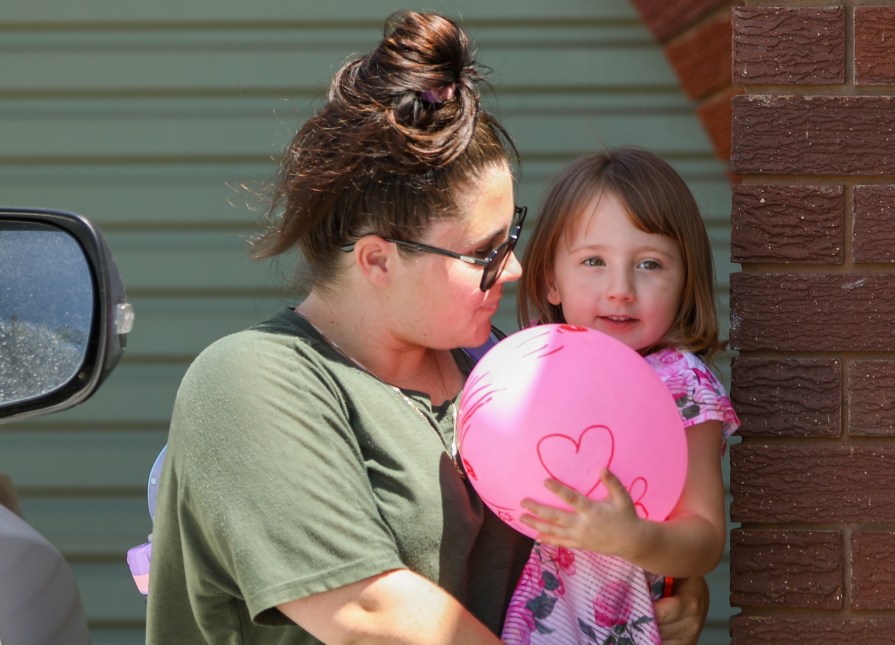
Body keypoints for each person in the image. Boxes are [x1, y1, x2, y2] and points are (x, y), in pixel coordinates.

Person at [145, 12, 708, 644]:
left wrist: (667, 589)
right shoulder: (250, 381)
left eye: (512, 236)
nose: (516, 268)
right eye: (483, 252)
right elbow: (372, 616)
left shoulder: (504, 368)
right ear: (378, 260)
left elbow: (616, 530)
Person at [501, 146, 740, 644]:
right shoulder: (522, 374)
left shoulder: (681, 382)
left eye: (650, 264)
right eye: (593, 261)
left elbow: (705, 538)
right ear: (550, 279)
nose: (620, 288)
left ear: (684, 281)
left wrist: (636, 539)